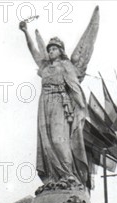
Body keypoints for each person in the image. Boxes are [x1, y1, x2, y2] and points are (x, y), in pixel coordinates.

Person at [18, 9, 98, 189]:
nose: (51, 51)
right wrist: (26, 33)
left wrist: (81, 110)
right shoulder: (45, 67)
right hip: (44, 105)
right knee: (47, 145)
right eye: (49, 49)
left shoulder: (66, 66)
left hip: (61, 105)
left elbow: (75, 88)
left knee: (58, 141)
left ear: (60, 51)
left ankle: (69, 177)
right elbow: (34, 52)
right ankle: (54, 179)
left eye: (54, 48)